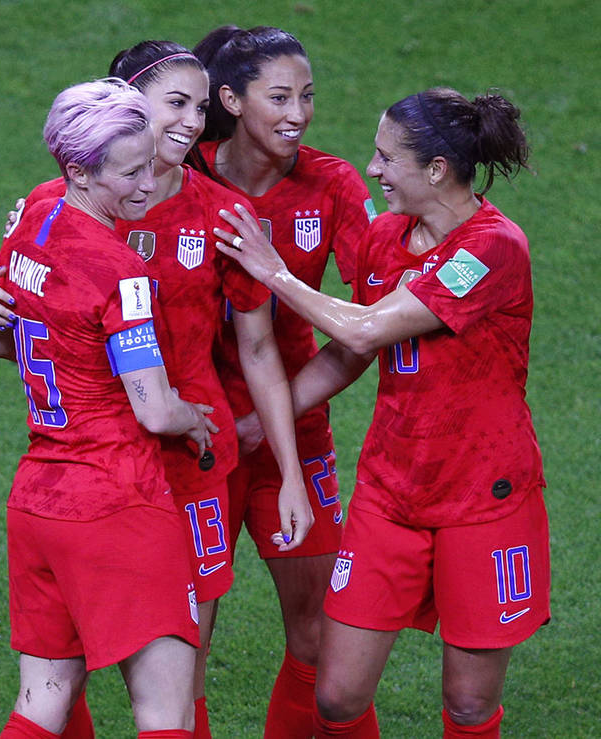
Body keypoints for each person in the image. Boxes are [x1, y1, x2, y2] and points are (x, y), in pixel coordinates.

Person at [0, 42, 311, 738]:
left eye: (198, 106)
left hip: (74, 483)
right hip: (124, 484)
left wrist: (289, 471)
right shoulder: (106, 252)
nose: (186, 125)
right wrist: (191, 420)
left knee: (56, 695)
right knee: (165, 706)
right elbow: (145, 402)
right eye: (172, 105)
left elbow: (8, 337)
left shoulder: (45, 218)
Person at [214, 87, 550, 738]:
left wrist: (275, 273)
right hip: (390, 495)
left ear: (435, 170)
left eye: (385, 157)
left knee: (469, 703)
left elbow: (367, 328)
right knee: (337, 694)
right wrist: (267, 420)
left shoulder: (492, 250)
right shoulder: (384, 237)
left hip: (484, 498)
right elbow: (348, 353)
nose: (372, 170)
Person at [0, 78, 218, 738]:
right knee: (167, 711)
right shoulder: (119, 269)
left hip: (40, 502)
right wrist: (195, 417)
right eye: (130, 173)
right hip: (116, 500)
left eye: (151, 166)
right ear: (78, 168)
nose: (145, 185)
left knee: (43, 701)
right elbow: (155, 411)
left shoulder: (31, 224)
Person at [188, 25, 374, 737]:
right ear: (230, 100)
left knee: (321, 635)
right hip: (192, 444)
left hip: (292, 437)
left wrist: (267, 419)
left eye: (307, 96)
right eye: (279, 97)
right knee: (186, 645)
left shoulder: (332, 186)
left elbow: (368, 324)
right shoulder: (181, 175)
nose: (297, 113)